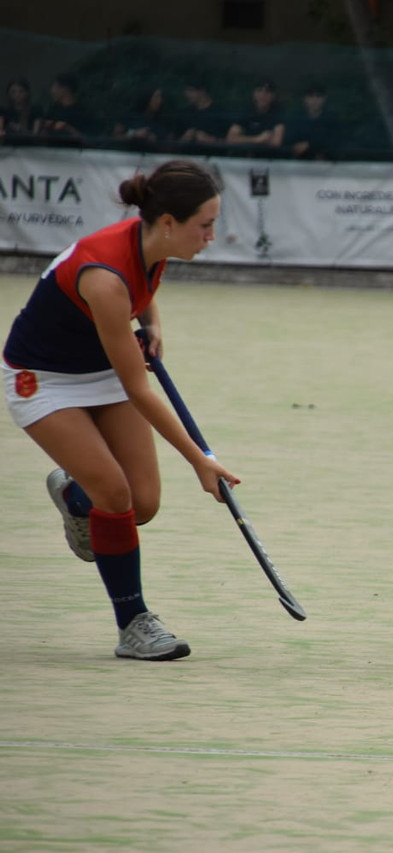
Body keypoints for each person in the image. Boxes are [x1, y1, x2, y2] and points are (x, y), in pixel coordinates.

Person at [2, 160, 238, 661]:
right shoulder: (104, 277)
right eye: (205, 225)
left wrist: (152, 324)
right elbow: (139, 390)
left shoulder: (153, 242)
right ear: (169, 222)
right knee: (114, 494)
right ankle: (134, 623)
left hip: (101, 367)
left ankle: (74, 495)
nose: (212, 237)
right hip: (42, 379)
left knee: (141, 505)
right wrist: (200, 460)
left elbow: (141, 290)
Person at [226, 80, 286, 149]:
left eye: (267, 91)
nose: (263, 94)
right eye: (259, 90)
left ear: (273, 96)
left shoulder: (278, 111)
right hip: (246, 153)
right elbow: (230, 138)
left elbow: (276, 142)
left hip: (268, 154)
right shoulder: (247, 110)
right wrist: (256, 139)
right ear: (254, 94)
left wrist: (243, 139)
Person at [39, 73, 98, 141]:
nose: (52, 91)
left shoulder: (84, 112)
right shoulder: (54, 109)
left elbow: (90, 140)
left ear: (64, 89)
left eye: (55, 87)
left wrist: (67, 128)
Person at [289, 84, 340, 159]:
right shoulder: (297, 119)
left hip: (327, 163)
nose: (315, 100)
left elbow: (335, 142)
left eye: (318, 96)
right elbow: (289, 143)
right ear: (305, 99)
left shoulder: (332, 119)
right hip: (299, 162)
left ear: (324, 99)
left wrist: (309, 145)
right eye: (311, 96)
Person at [176, 80, 224, 146]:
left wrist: (211, 140)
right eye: (186, 91)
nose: (187, 94)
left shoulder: (221, 113)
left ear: (202, 91)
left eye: (190, 90)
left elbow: (230, 142)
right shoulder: (184, 113)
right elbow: (172, 142)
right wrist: (184, 138)